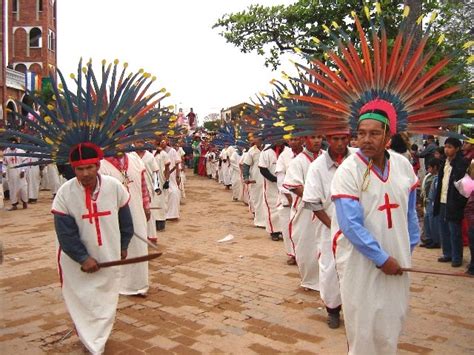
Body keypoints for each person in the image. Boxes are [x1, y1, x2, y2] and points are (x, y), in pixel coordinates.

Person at [331, 111, 419, 354]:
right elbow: (350, 225)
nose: (366, 139)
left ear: (388, 136)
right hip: (361, 263)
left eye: (374, 133)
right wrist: (381, 258)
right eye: (361, 134)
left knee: (392, 321)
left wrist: (407, 249)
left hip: (397, 260)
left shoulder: (402, 166)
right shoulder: (348, 170)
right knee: (364, 327)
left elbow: (410, 213)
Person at [52, 143, 134, 354]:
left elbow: (126, 220)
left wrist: (123, 245)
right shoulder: (65, 193)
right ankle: (92, 341)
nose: (86, 173)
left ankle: (99, 337)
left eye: (90, 167)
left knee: (106, 298)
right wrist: (82, 258)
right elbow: (65, 234)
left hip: (108, 255)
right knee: (83, 298)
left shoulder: (114, 186)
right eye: (80, 169)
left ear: (98, 165)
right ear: (73, 169)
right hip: (75, 262)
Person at [303, 131, 354, 329]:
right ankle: (332, 309)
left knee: (357, 269)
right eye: (335, 139)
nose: (340, 144)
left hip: (359, 227)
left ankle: (355, 309)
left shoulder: (359, 160)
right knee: (331, 268)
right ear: (328, 139)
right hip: (329, 229)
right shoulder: (317, 168)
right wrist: (335, 226)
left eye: (343, 139)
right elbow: (314, 203)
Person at [100, 151, 151, 296]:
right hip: (114, 215)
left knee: (139, 247)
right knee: (117, 248)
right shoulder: (101, 165)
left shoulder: (135, 160)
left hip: (137, 211)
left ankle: (139, 285)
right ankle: (118, 284)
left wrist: (146, 206)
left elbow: (143, 186)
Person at [283, 135, 324, 291]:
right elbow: (295, 186)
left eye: (319, 137)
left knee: (325, 245)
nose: (316, 140)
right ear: (304, 139)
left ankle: (326, 281)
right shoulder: (298, 161)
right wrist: (316, 199)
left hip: (327, 210)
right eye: (312, 137)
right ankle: (310, 281)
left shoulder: (326, 158)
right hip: (305, 211)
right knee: (306, 245)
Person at [433, 137, 470, 267]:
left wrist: (460, 202)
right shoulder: (444, 162)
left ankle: (456, 257)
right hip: (443, 199)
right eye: (446, 146)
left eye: (450, 147)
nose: (446, 149)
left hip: (454, 201)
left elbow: (464, 184)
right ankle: (447, 253)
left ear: (457, 149)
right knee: (444, 229)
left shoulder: (462, 163)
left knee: (455, 230)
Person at [276, 137, 303, 265]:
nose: (293, 142)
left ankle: (303, 255)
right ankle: (293, 254)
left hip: (305, 199)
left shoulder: (308, 156)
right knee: (289, 229)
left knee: (303, 231)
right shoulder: (284, 156)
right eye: (291, 140)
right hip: (288, 199)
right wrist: (288, 196)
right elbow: (281, 178)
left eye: (296, 139)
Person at [132, 140, 160, 243]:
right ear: (133, 143)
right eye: (137, 142)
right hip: (135, 187)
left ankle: (151, 235)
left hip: (148, 187)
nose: (139, 144)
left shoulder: (150, 156)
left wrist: (156, 187)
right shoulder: (131, 155)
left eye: (141, 142)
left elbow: (155, 172)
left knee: (149, 211)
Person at [258, 142, 285, 241]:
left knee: (284, 207)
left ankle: (283, 229)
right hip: (271, 186)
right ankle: (274, 231)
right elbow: (262, 169)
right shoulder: (266, 152)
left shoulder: (288, 151)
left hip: (285, 185)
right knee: (272, 207)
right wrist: (274, 179)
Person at [243, 136, 266, 228]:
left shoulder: (269, 148)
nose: (256, 140)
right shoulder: (251, 151)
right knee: (258, 200)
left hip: (270, 180)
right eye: (255, 138)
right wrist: (246, 177)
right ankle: (260, 222)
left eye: (258, 137)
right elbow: (246, 165)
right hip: (256, 179)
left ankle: (270, 222)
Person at [419, 158, 441, 248]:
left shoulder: (438, 178)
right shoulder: (428, 176)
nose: (428, 169)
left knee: (433, 222)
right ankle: (429, 239)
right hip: (427, 201)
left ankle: (435, 241)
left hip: (433, 201)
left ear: (435, 167)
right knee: (427, 221)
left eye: (429, 167)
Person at [3, 137, 28, 210]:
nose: (11, 145)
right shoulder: (6, 152)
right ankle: (14, 204)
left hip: (20, 173)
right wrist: (4, 171)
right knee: (12, 189)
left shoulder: (21, 151)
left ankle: (24, 202)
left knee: (23, 188)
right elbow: (4, 164)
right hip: (10, 173)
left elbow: (25, 162)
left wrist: (23, 170)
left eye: (12, 143)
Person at [162, 138, 182, 220]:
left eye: (164, 140)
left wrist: (177, 176)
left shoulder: (172, 151)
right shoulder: (154, 151)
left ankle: (172, 215)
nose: (162, 142)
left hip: (171, 176)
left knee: (174, 192)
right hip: (159, 176)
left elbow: (177, 165)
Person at [154, 140, 171, 231]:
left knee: (161, 201)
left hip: (160, 181)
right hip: (150, 181)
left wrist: (167, 180)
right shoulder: (148, 153)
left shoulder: (163, 154)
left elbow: (167, 168)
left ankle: (161, 223)